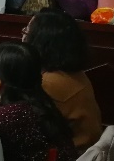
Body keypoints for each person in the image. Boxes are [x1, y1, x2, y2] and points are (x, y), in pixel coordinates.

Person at [23, 10, 103, 150]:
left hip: (73, 158)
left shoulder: (49, 83)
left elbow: (20, 120)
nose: (23, 38)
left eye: (27, 33)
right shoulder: (72, 73)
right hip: (85, 152)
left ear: (42, 42)